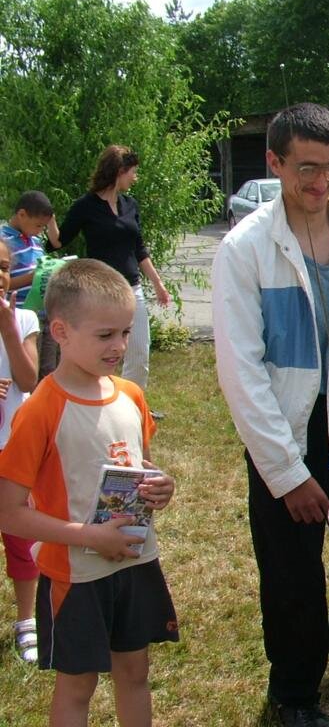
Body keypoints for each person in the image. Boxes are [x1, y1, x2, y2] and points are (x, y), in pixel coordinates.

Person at [212, 102, 329, 727]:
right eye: (307, 169)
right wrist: (286, 473)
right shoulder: (244, 249)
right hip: (287, 431)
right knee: (291, 572)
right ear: (274, 162)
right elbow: (241, 372)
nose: (322, 183)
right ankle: (294, 693)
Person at [0, 258, 177, 725]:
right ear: (60, 331)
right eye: (105, 335)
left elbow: (139, 467)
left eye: (126, 332)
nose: (119, 346)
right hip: (75, 575)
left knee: (135, 671)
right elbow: (9, 513)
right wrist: (89, 536)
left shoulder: (131, 395)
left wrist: (161, 487)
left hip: (135, 561)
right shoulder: (40, 410)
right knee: (78, 685)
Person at [49, 146, 170, 393]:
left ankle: (132, 401)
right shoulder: (85, 206)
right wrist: (49, 219)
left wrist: (158, 284)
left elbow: (139, 249)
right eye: (133, 172)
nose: (135, 177)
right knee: (102, 351)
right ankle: (97, 397)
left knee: (139, 351)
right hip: (98, 293)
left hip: (132, 289)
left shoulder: (130, 205)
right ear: (119, 171)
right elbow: (58, 242)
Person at [0, 238, 41, 662]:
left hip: (11, 450)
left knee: (21, 536)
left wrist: (8, 327)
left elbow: (28, 380)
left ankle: (26, 620)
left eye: (3, 267)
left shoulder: (25, 318)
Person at [2, 190, 60, 377]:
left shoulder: (35, 242)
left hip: (45, 312)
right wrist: (33, 277)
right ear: (22, 214)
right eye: (38, 225)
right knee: (28, 368)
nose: (40, 230)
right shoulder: (3, 241)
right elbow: (5, 284)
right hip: (21, 314)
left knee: (49, 370)